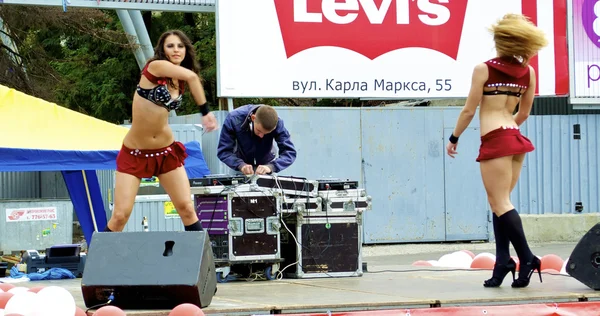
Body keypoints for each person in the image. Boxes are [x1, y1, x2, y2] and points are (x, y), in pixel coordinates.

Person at [445, 14, 547, 288]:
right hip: (515, 138)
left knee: (500, 203)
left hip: (496, 139)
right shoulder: (529, 73)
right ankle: (503, 260)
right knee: (499, 203)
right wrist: (508, 129)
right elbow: (524, 112)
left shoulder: (484, 69)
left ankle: (527, 258)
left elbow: (469, 110)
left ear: (500, 41)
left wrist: (454, 137)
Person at [104, 30, 218, 233]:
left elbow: (192, 78)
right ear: (162, 50)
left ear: (186, 50)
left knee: (186, 209)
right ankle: (98, 263)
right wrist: (206, 113)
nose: (176, 50)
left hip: (165, 152)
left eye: (180, 46)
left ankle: (204, 261)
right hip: (135, 154)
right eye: (170, 46)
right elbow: (192, 76)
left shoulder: (179, 79)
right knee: (120, 216)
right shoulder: (154, 67)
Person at [217, 104, 297, 175]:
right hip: (240, 167)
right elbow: (224, 151)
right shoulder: (234, 119)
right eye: (259, 131)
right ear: (253, 118)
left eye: (266, 133)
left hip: (266, 167)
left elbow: (289, 152)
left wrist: (272, 167)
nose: (261, 136)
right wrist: (240, 165)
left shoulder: (277, 123)